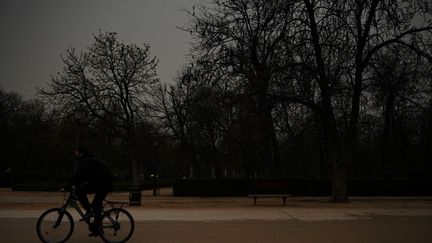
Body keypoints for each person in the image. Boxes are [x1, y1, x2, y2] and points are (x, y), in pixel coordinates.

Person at [63, 146, 113, 236]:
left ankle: (91, 215)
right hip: (101, 184)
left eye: (76, 153)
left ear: (81, 153)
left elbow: (78, 175)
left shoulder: (86, 161)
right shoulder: (87, 161)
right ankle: (97, 228)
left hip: (103, 185)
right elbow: (81, 177)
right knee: (96, 204)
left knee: (87, 198)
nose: (75, 154)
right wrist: (74, 185)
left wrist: (67, 186)